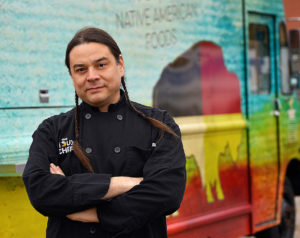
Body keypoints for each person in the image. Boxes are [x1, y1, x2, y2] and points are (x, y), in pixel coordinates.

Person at [22, 27, 186, 238]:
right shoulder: (52, 130)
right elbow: (41, 191)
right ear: (72, 77)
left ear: (120, 65)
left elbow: (166, 194)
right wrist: (128, 183)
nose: (91, 76)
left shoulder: (159, 125)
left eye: (101, 65)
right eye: (80, 69)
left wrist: (95, 214)